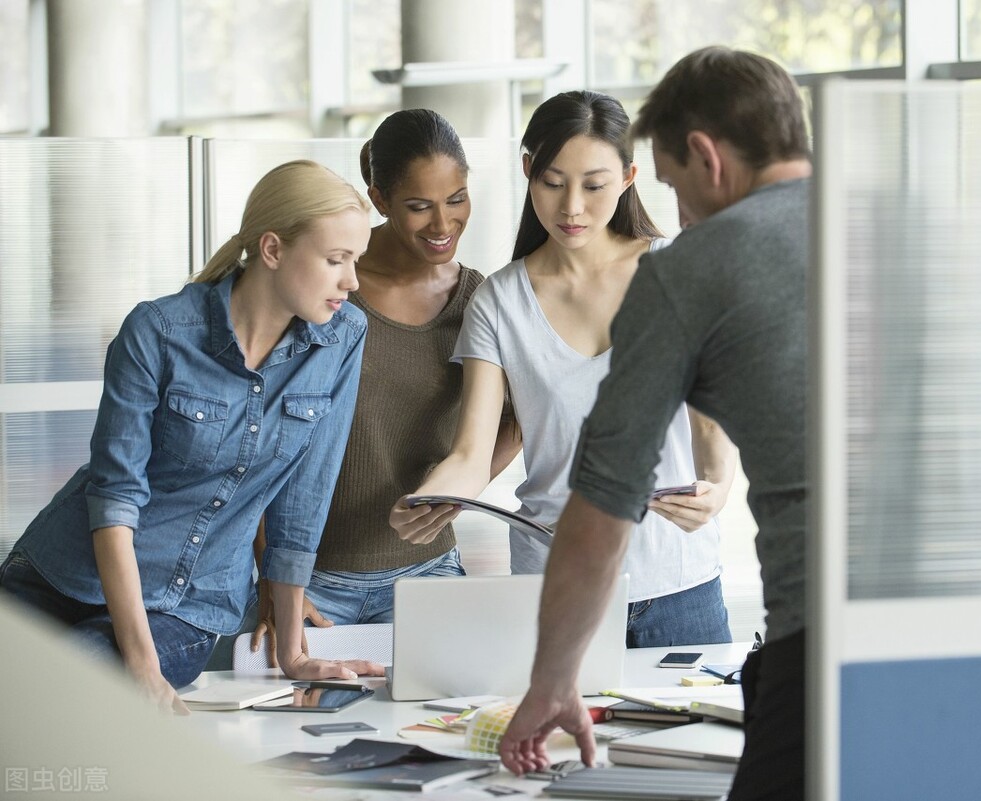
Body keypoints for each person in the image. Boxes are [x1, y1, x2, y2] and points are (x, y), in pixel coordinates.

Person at [497, 47, 811, 801]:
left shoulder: (690, 266)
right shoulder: (911, 218)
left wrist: (553, 681)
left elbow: (604, 504)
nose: (678, 217)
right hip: (978, 628)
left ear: (706, 157)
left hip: (825, 638)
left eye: (672, 186)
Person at [0, 160, 385, 712]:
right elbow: (114, 500)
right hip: (60, 576)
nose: (352, 281)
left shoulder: (342, 337)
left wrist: (295, 652)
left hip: (186, 610)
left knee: (47, 699)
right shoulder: (157, 332)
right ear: (273, 250)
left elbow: (305, 497)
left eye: (356, 261)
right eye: (335, 260)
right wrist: (140, 666)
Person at [389, 90, 737, 648]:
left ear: (627, 177)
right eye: (553, 182)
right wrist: (429, 499)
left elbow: (710, 423)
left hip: (679, 584)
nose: (572, 207)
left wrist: (717, 488)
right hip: (555, 585)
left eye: (594, 185)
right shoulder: (499, 302)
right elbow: (471, 453)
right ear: (528, 171)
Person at [245, 111, 522, 657]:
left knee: (443, 729)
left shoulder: (479, 300)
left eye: (457, 198)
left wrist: (455, 494)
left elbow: (516, 419)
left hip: (429, 574)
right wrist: (272, 577)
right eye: (419, 206)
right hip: (311, 581)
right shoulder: (323, 283)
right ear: (379, 198)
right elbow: (254, 433)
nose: (443, 225)